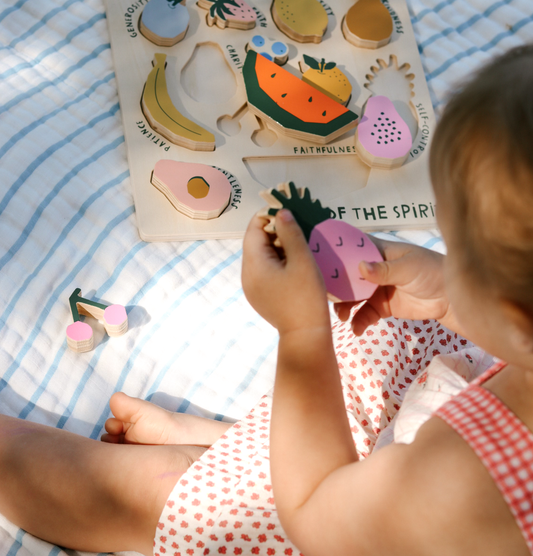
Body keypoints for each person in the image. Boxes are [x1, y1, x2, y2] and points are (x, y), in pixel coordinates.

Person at [1, 43, 532, 556]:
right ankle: (243, 450)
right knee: (400, 330)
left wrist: (302, 332)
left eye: (459, 254)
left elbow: (317, 519)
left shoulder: (469, 479)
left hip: (339, 523)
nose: (446, 258)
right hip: (414, 467)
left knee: (176, 505)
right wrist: (447, 296)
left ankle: (190, 480)